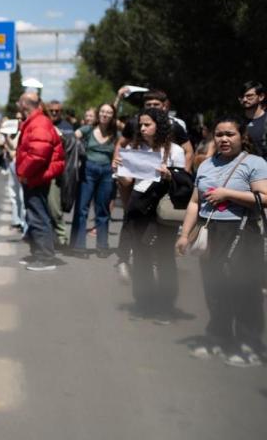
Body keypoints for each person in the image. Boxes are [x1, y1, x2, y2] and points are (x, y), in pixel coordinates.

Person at [176, 116, 267, 366]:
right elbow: (195, 202)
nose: (224, 139)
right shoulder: (206, 165)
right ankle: (219, 337)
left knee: (243, 290)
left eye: (230, 134)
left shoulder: (254, 163)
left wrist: (228, 194)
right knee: (214, 289)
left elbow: (265, 197)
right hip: (210, 232)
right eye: (219, 134)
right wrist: (185, 235)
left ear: (242, 137)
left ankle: (249, 345)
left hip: (241, 232)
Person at [114, 108, 186, 323]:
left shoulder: (174, 151)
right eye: (141, 125)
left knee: (164, 257)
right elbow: (128, 183)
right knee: (142, 256)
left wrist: (168, 175)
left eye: (148, 124)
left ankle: (166, 306)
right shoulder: (135, 148)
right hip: (139, 209)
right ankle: (143, 303)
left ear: (159, 126)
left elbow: (181, 185)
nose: (143, 128)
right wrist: (120, 171)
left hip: (162, 211)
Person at [15, 93, 66, 272]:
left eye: (19, 101)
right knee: (35, 214)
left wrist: (22, 172)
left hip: (36, 177)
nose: (17, 103)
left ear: (25, 103)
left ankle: (45, 257)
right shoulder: (36, 121)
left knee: (39, 216)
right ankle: (39, 253)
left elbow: (38, 154)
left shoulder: (39, 122)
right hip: (35, 176)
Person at [70, 103, 117, 258]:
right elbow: (72, 136)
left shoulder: (116, 133)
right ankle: (78, 247)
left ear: (112, 116)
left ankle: (102, 247)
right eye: (102, 111)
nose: (105, 114)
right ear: (98, 114)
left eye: (109, 112)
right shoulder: (88, 130)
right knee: (82, 208)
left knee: (103, 210)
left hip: (107, 172)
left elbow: (125, 146)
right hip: (87, 170)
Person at [46, 100, 75, 248]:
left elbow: (71, 149)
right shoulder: (43, 123)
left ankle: (62, 238)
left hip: (57, 173)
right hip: (41, 171)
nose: (54, 113)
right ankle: (47, 238)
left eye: (57, 111)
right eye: (51, 110)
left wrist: (62, 139)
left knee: (55, 208)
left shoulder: (67, 127)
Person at [2, 112, 27, 233]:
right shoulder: (13, 132)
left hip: (22, 164)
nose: (19, 120)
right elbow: (8, 146)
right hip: (12, 163)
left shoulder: (27, 131)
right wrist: (6, 135)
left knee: (22, 195)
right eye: (17, 119)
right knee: (13, 193)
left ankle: (24, 223)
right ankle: (16, 220)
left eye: (21, 118)